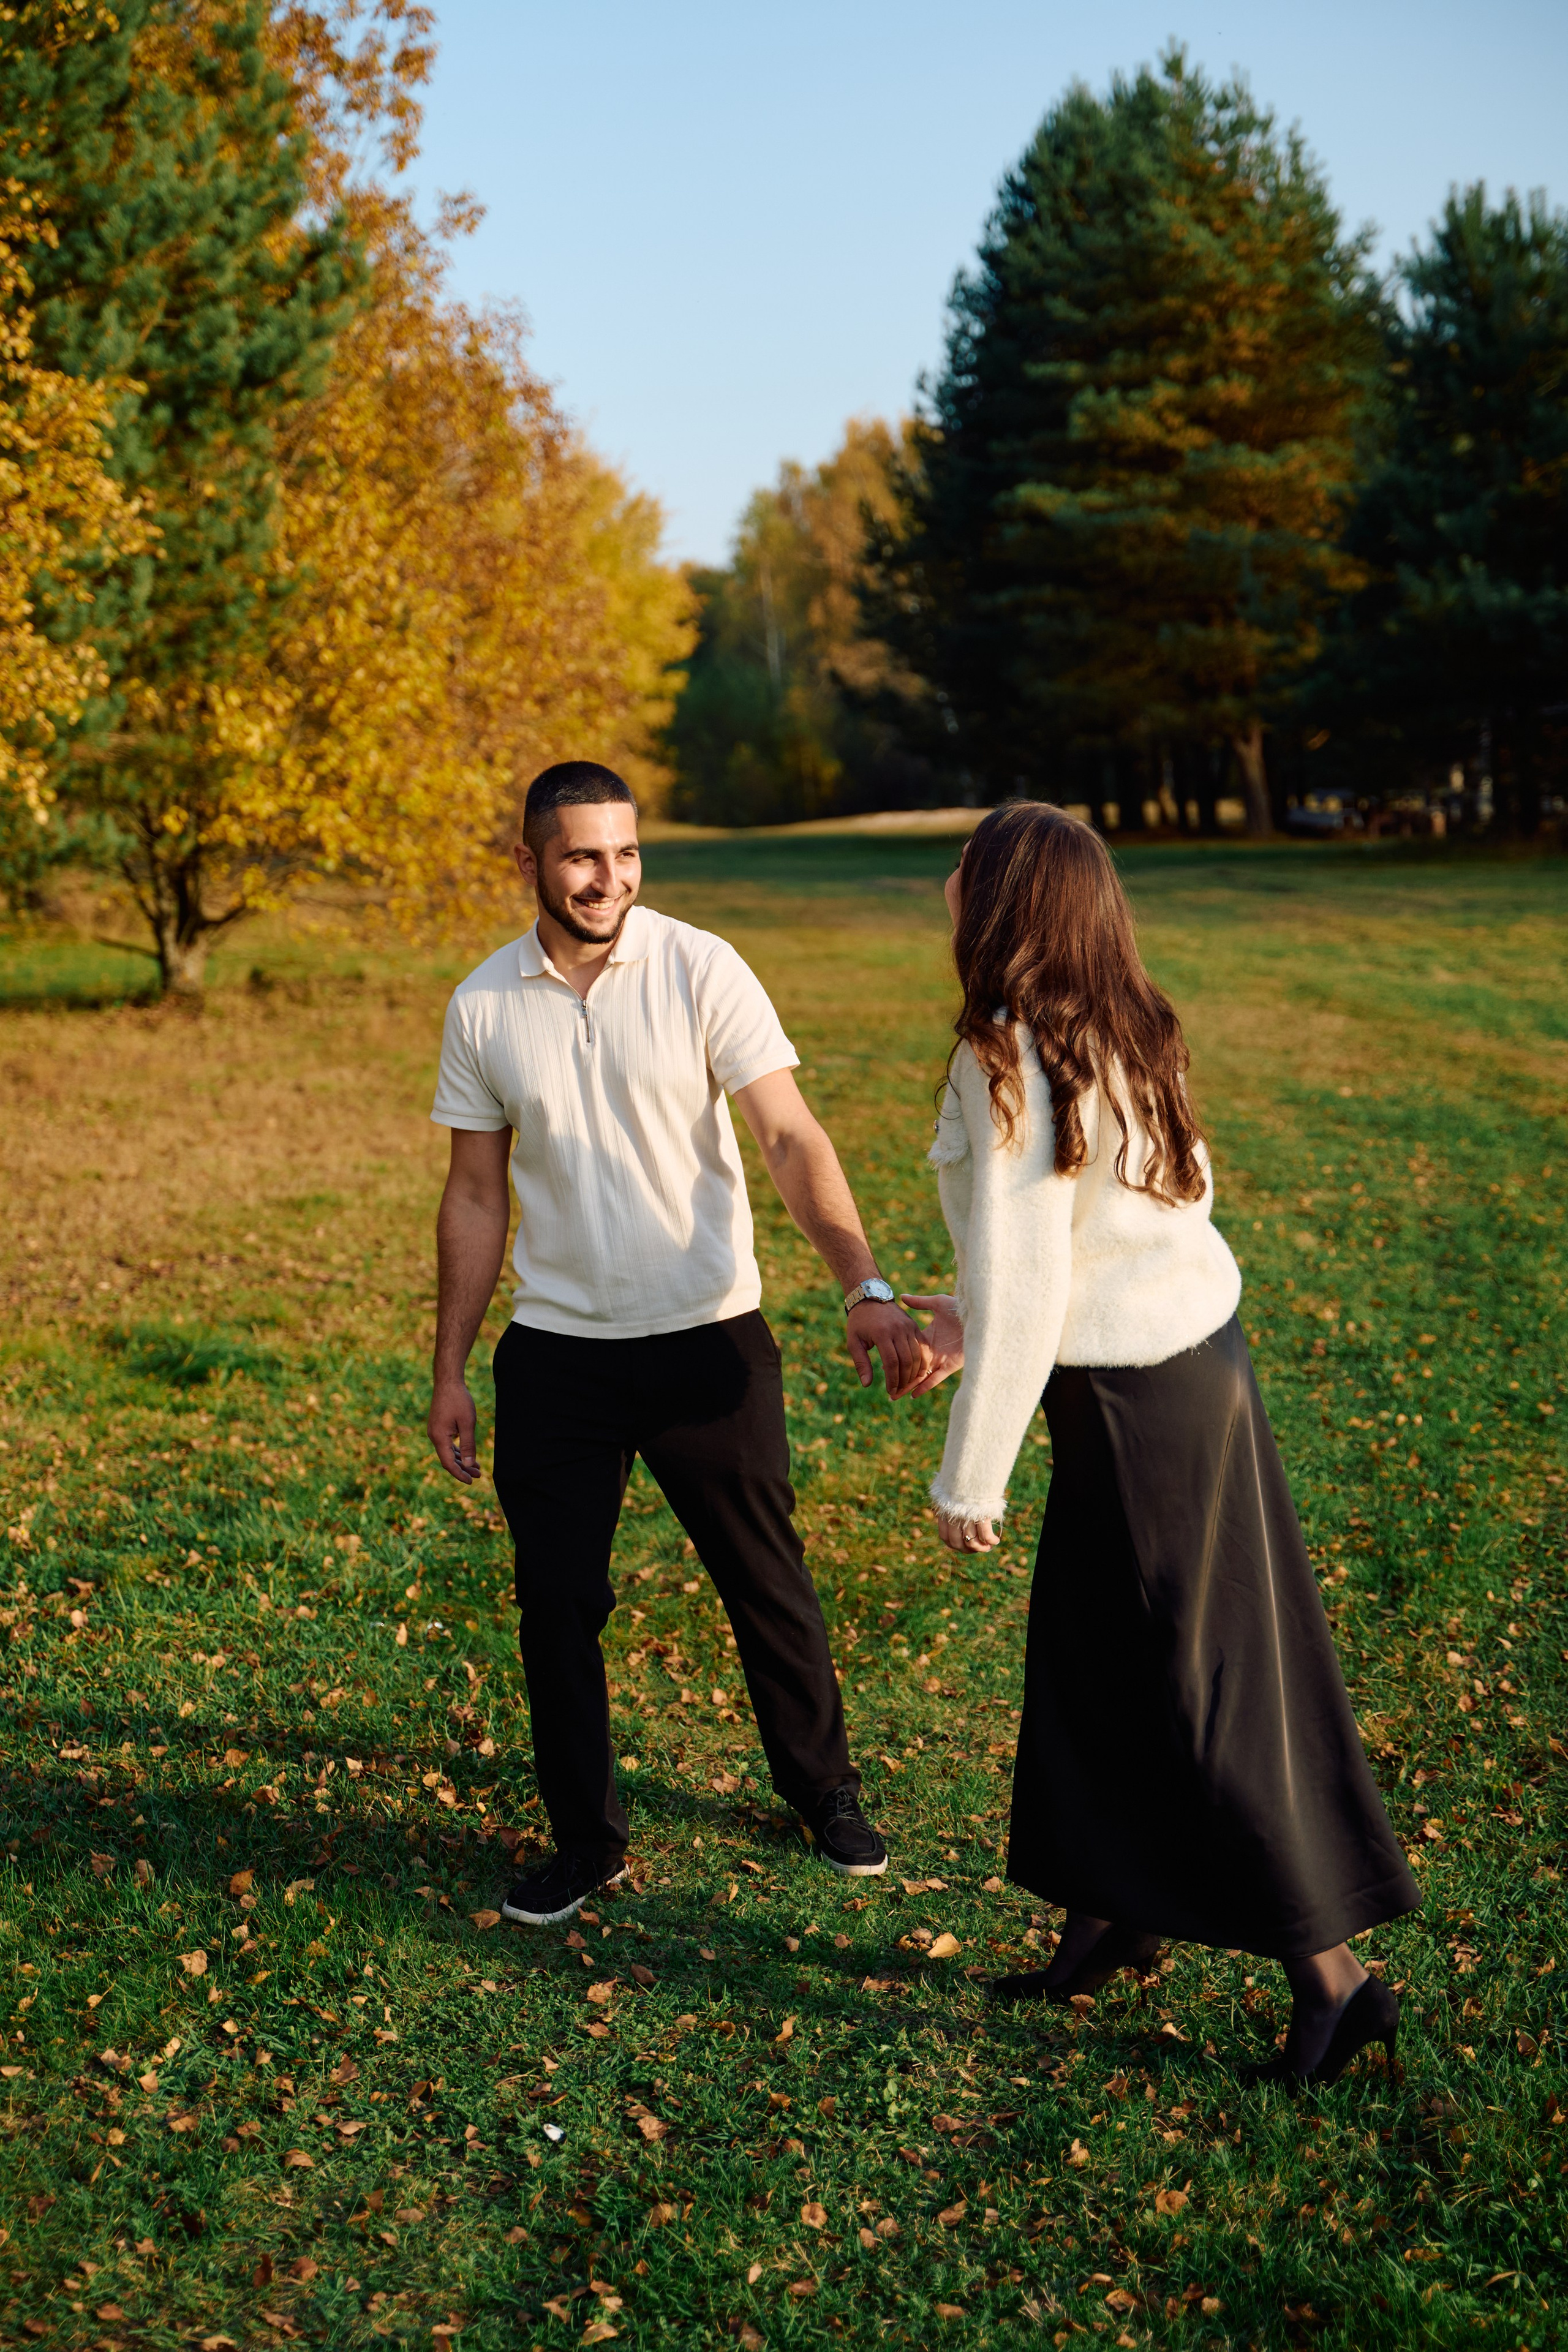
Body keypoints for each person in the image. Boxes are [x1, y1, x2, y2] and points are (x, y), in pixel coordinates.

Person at [902, 803, 1419, 2087]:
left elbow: (1034, 1275)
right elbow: (1139, 1214)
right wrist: (977, 1322)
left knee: (1201, 1689)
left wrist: (972, 1473)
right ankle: (1110, 1914)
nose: (944, 888)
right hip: (1195, 1372)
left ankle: (1334, 1984)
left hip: (1137, 1408)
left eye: (962, 872)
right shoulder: (1121, 1017)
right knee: (1094, 1658)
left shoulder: (1009, 1048)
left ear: (1006, 898)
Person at [426, 761, 927, 1926]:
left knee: (767, 1585)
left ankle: (824, 1789)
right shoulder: (483, 1005)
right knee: (556, 1608)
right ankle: (587, 1842)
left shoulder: (702, 964)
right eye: (583, 857)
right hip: (557, 1356)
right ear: (531, 863)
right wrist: (450, 1369)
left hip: (711, 1345)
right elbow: (471, 1197)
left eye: (627, 853)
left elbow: (790, 1135)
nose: (610, 879)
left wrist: (866, 1280)